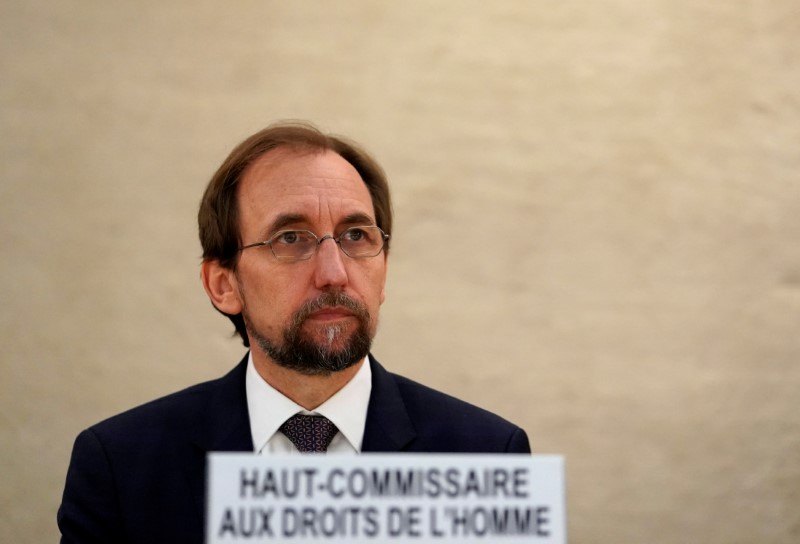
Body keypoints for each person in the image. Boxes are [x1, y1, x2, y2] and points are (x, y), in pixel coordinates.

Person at [57, 121, 530, 543]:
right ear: (223, 285)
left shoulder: (487, 454)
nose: (334, 273)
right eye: (291, 238)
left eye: (356, 236)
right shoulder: (120, 467)